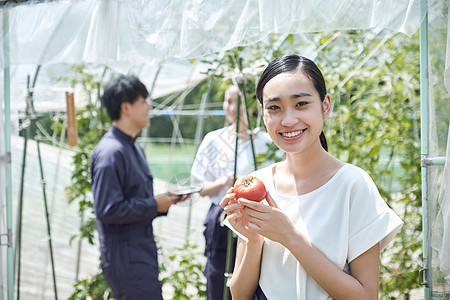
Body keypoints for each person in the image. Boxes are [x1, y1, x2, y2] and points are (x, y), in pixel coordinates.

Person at [220, 55, 404, 299]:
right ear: (263, 113)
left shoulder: (352, 184)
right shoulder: (258, 184)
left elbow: (366, 296)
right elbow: (240, 294)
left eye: (301, 104)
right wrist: (254, 240)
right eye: (274, 108)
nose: (288, 120)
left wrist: (289, 236)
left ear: (325, 105)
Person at [90, 74, 188, 300]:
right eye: (143, 101)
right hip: (125, 257)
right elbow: (108, 210)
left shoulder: (133, 149)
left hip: (140, 251)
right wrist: (154, 204)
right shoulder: (111, 153)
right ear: (126, 107)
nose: (149, 106)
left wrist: (164, 201)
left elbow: (133, 200)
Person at [190, 84, 275, 300]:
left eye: (234, 101)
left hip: (257, 219)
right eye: (226, 101)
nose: (228, 107)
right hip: (222, 216)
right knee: (218, 275)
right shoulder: (214, 140)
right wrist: (224, 182)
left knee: (255, 277)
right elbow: (199, 188)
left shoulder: (266, 142)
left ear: (252, 105)